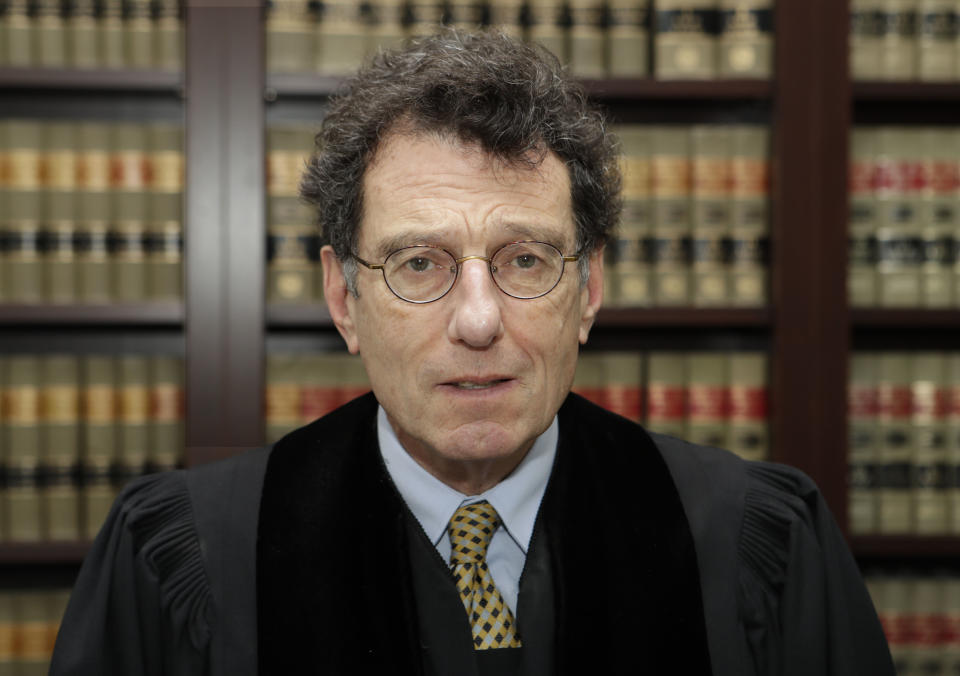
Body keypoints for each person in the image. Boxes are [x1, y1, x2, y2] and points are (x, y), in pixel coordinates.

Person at [51, 29, 894, 676]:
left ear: (590, 290)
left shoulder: (757, 543)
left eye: (527, 260)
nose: (480, 320)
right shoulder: (189, 557)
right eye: (420, 264)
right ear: (344, 300)